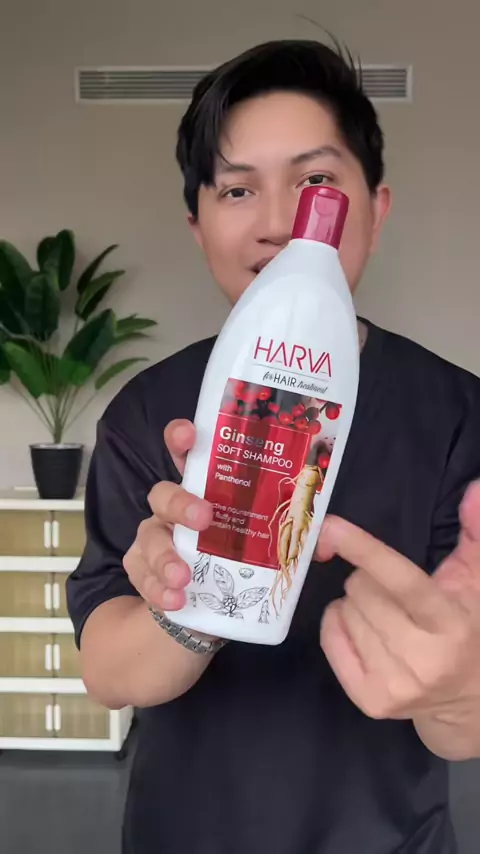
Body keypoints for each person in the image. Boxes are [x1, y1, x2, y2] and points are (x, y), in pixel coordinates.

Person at [66, 38, 480, 854]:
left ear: (375, 210)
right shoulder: (148, 414)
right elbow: (108, 674)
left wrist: (460, 689)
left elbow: (457, 727)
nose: (282, 225)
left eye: (316, 181)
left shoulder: (460, 414)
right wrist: (190, 603)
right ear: (198, 226)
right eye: (236, 188)